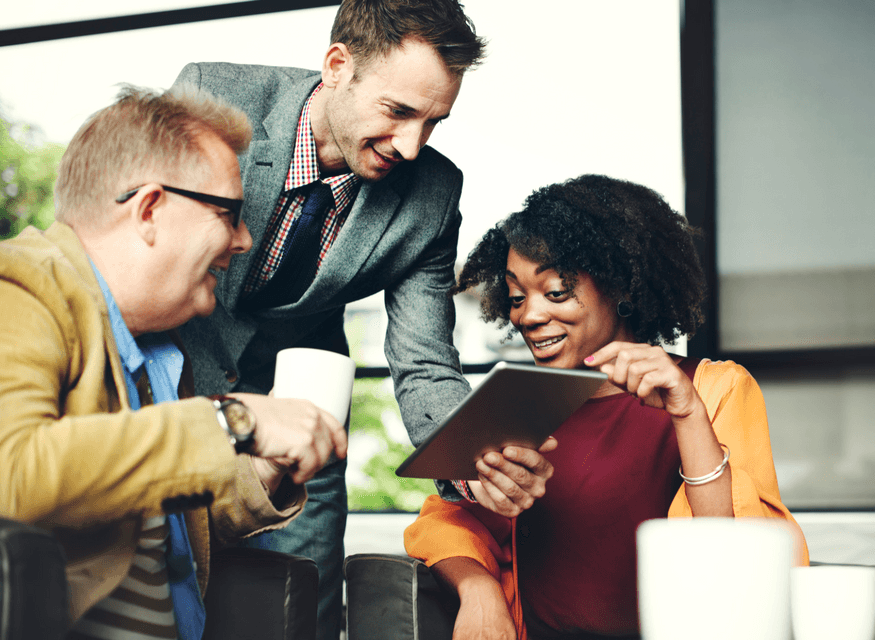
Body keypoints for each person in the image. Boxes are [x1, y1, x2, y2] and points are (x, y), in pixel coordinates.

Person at [170, 1, 490, 637]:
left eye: (434, 122)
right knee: (167, 604)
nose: (411, 145)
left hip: (304, 433)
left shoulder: (431, 194)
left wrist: (472, 458)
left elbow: (425, 362)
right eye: (398, 112)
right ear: (338, 66)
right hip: (177, 403)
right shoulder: (212, 99)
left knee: (299, 616)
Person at [0, 85, 347, 639]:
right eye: (229, 214)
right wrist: (235, 421)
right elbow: (12, 472)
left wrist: (265, 466)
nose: (244, 240)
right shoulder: (20, 287)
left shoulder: (161, 353)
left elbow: (155, 519)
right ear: (150, 209)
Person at [404, 174, 809, 640]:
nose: (528, 316)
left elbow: (740, 553)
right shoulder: (520, 403)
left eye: (556, 292)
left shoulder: (712, 388)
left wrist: (688, 415)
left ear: (619, 287)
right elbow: (447, 518)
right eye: (517, 297)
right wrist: (478, 590)